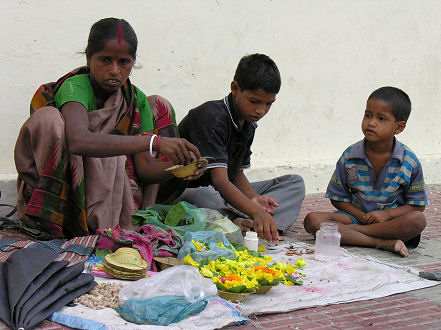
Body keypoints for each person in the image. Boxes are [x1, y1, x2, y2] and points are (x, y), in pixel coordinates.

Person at [14, 18, 205, 239]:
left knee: (159, 104)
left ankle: (112, 221)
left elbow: (144, 170)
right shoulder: (76, 87)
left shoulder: (136, 100)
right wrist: (154, 142)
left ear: (133, 62)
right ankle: (62, 221)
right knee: (49, 119)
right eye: (105, 60)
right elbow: (79, 140)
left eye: (124, 62)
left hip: (113, 192)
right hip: (66, 192)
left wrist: (182, 165)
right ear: (88, 57)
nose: (114, 70)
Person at [170, 54, 305, 242]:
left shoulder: (248, 122)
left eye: (268, 104)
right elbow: (219, 181)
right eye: (254, 101)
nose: (261, 111)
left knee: (294, 183)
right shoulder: (212, 117)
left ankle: (247, 223)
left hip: (226, 192)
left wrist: (254, 199)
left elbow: (236, 173)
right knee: (206, 196)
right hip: (192, 191)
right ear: (235, 88)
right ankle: (246, 221)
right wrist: (255, 210)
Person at [304, 86, 428, 257]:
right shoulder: (349, 156)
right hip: (355, 217)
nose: (371, 122)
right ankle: (381, 242)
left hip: (389, 222)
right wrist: (360, 217)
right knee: (313, 220)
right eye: (368, 115)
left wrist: (387, 214)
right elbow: (338, 198)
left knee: (417, 220)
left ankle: (354, 234)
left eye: (381, 118)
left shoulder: (409, 161)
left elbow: (417, 205)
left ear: (398, 127)